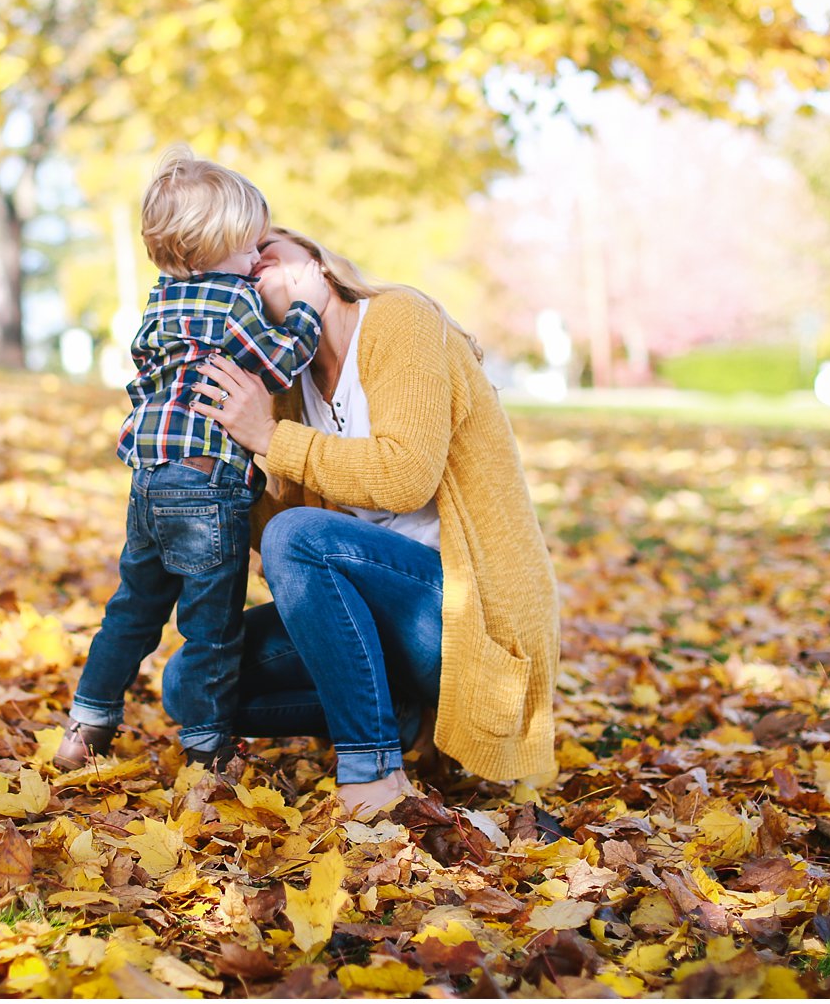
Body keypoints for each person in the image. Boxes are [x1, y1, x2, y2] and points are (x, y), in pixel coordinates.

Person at [187, 226, 560, 817]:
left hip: (468, 616)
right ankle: (405, 715)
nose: (251, 265)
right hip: (374, 616)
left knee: (299, 536)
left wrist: (269, 437)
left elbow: (406, 475)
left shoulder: (397, 319)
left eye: (269, 250)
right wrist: (221, 459)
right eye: (240, 268)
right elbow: (272, 544)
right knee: (189, 684)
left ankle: (374, 767)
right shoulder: (283, 387)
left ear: (319, 264)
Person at [55, 149, 327, 773]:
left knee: (133, 608)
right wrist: (307, 307)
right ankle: (206, 745)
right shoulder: (233, 302)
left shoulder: (158, 302)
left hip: (149, 482)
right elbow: (280, 363)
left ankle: (87, 721)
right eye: (249, 244)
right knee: (212, 624)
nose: (258, 256)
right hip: (205, 484)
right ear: (216, 244)